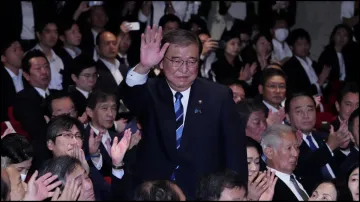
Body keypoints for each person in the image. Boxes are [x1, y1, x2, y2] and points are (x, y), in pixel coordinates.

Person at [121, 26, 247, 198]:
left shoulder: (218, 96)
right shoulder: (150, 90)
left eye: (191, 61)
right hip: (155, 192)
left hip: (202, 192)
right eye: (176, 60)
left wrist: (238, 194)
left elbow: (234, 151)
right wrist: (144, 66)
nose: (184, 68)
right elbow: (129, 96)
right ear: (162, 62)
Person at [285, 92, 351, 193]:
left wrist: (343, 148)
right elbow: (302, 170)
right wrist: (329, 147)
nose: (306, 116)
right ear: (288, 117)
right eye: (299, 111)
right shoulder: (286, 144)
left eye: (310, 110)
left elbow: (345, 168)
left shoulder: (324, 135)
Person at [12, 50, 55, 170]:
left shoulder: (57, 95)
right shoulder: (24, 99)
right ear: (26, 75)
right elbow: (36, 131)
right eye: (38, 69)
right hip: (42, 153)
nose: (44, 72)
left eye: (46, 67)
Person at [261, 124, 309, 201]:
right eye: (289, 148)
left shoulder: (302, 176)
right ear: (269, 152)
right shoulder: (265, 187)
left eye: (297, 147)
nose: (295, 154)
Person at [283, 28, 324, 96]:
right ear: (291, 47)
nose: (304, 47)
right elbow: (295, 91)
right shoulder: (289, 66)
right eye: (299, 44)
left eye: (306, 43)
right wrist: (317, 86)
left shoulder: (314, 64)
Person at [32, 18, 65, 91]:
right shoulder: (30, 57)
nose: (53, 36)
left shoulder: (59, 59)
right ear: (38, 34)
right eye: (48, 31)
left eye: (55, 32)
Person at [0, 37, 28, 122]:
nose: (20, 53)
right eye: (15, 50)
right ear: (3, 58)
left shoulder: (27, 75)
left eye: (21, 49)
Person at [95, 31, 128, 98]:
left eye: (114, 43)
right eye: (107, 44)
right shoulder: (94, 70)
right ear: (98, 48)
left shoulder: (125, 68)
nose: (112, 47)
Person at [56, 18, 83, 91]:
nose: (78, 35)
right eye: (73, 32)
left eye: (79, 31)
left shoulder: (83, 53)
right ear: (62, 37)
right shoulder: (59, 57)